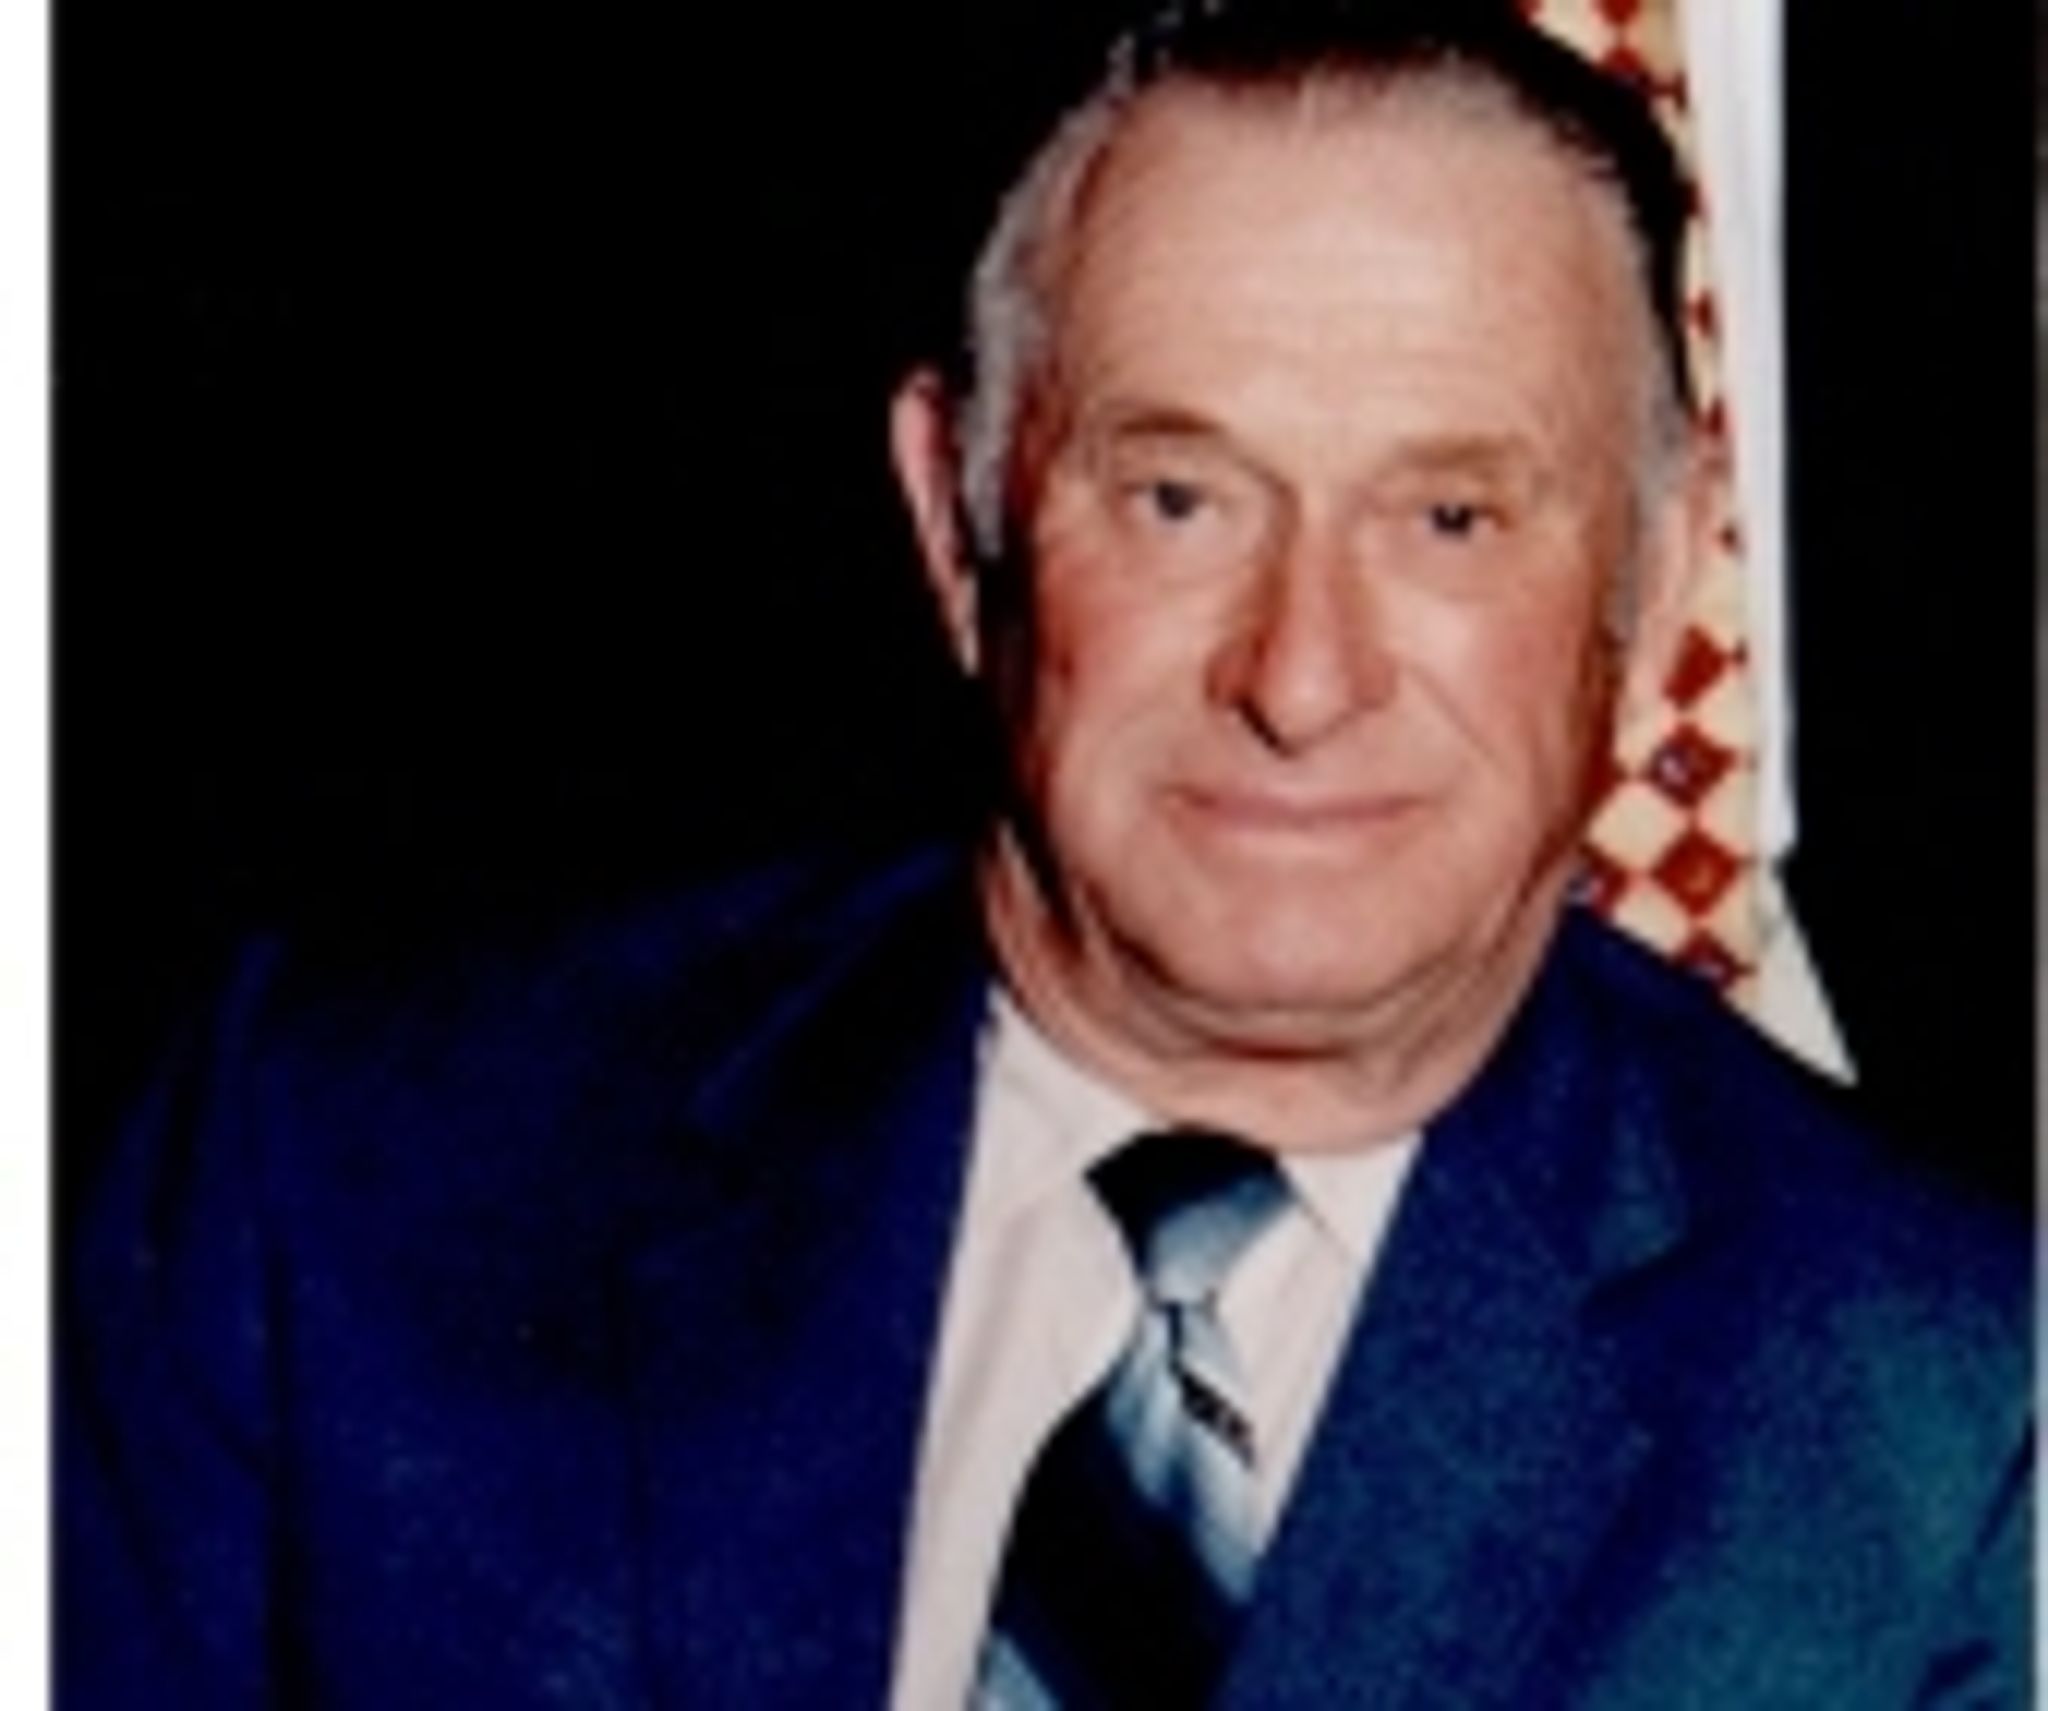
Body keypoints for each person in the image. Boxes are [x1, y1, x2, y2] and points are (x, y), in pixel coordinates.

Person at [60, 2, 2029, 1706]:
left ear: (1657, 584)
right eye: (1176, 497)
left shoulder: (1947, 1421)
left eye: (1449, 519)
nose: (1301, 675)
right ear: (957, 521)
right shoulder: (341, 1177)